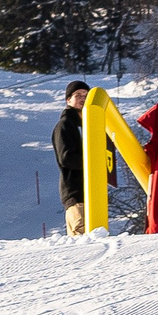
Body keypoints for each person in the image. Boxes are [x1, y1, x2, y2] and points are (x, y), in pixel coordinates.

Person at [49, 80, 111, 236]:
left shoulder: (90, 125)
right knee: (84, 239)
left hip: (94, 193)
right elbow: (66, 158)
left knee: (91, 239)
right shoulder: (65, 125)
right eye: (78, 95)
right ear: (68, 100)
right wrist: (95, 160)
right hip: (77, 193)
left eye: (86, 95)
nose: (83, 98)